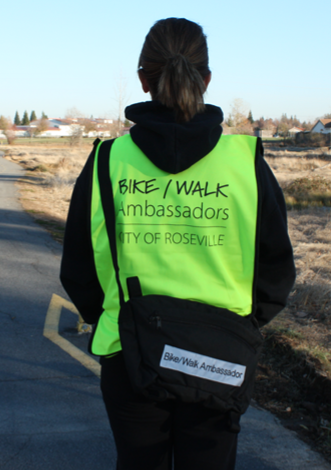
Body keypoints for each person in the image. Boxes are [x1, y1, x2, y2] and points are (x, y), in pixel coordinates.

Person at [60, 18, 294, 470]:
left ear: (143, 78)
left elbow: (78, 269)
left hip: (129, 353)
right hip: (221, 354)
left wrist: (122, 320)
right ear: (206, 79)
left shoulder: (107, 160)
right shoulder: (245, 162)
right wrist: (241, 326)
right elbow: (277, 270)